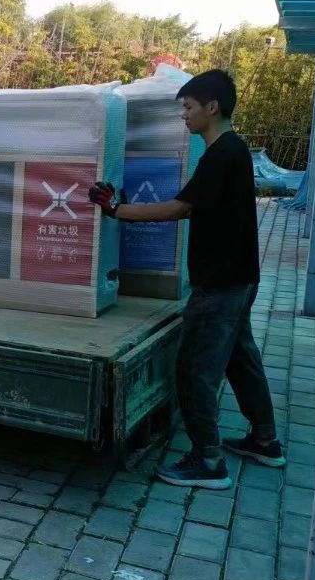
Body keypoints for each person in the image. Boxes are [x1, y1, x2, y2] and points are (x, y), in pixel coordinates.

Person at [88, 68, 283, 490]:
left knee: (196, 369)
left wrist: (116, 209)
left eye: (189, 107)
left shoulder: (220, 154)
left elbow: (181, 207)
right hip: (240, 279)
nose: (184, 115)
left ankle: (207, 460)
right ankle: (265, 441)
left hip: (219, 284)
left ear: (212, 107)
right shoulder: (235, 150)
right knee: (241, 361)